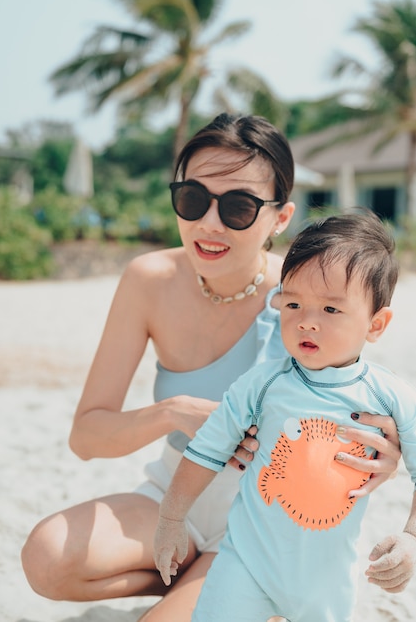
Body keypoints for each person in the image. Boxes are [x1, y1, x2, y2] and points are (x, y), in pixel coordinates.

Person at [21, 114, 404, 622]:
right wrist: (172, 413)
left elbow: (356, 403)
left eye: (239, 207)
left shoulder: (306, 291)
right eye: (192, 199)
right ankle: (201, 584)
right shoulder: (148, 280)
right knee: (46, 558)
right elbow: (86, 436)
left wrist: (389, 453)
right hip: (171, 488)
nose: (209, 224)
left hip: (264, 516)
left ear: (280, 217)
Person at [154, 212, 416, 622]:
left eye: (331, 309)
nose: (306, 320)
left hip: (327, 579)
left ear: (376, 323)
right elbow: (206, 449)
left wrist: (411, 538)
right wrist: (171, 517)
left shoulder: (392, 396)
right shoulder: (261, 384)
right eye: (293, 303)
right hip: (247, 563)